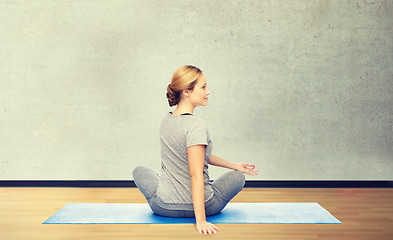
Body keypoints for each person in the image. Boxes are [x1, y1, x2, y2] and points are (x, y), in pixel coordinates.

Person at [133, 65, 259, 235]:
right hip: (207, 207)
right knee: (237, 178)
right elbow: (196, 174)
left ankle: (164, 180)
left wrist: (233, 164)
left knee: (140, 171)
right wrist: (201, 220)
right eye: (203, 87)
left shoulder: (166, 121)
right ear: (186, 91)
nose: (208, 91)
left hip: (164, 207)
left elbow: (200, 156)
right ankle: (182, 191)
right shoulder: (196, 126)